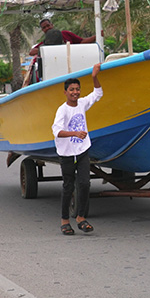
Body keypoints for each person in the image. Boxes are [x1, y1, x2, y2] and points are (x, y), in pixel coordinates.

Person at [52, 65, 103, 235]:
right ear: (65, 92)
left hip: (82, 150)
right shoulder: (62, 110)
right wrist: (75, 133)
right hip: (66, 153)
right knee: (68, 186)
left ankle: (81, 217)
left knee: (84, 184)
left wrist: (94, 76)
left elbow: (97, 94)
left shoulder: (81, 103)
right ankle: (65, 220)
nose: (75, 92)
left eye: (77, 89)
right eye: (72, 90)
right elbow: (57, 131)